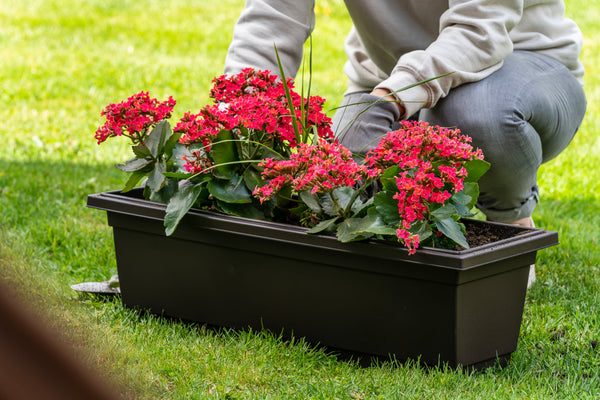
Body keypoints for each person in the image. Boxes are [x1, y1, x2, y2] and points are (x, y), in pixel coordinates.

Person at [223, 0, 587, 283]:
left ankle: (509, 219)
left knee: (474, 116)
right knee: (337, 175)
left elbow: (480, 32)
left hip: (521, 72)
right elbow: (271, 20)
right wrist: (234, 119)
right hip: (388, 81)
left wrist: (391, 98)